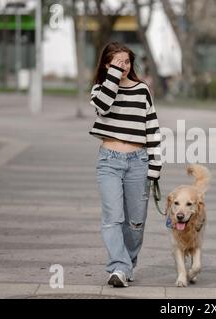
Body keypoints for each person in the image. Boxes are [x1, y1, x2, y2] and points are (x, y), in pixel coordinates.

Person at [89, 42, 162, 287]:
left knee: (136, 222)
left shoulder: (142, 90)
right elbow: (103, 106)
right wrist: (113, 76)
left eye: (127, 62)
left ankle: (128, 263)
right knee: (113, 217)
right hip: (109, 160)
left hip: (138, 161)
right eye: (117, 62)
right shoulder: (99, 90)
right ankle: (118, 267)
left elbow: (152, 127)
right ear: (107, 65)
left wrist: (155, 166)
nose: (123, 66)